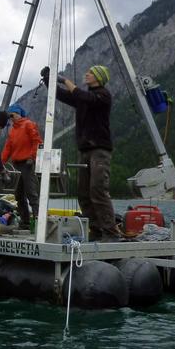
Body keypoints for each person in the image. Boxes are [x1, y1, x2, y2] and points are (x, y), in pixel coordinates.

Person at [41, 64, 124, 242]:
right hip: (85, 149)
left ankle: (111, 232)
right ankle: (95, 230)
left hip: (99, 150)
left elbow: (83, 96)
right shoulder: (84, 97)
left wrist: (66, 80)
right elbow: (62, 95)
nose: (87, 74)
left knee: (98, 189)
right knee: (83, 193)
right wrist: (49, 80)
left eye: (91, 73)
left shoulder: (103, 95)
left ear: (99, 78)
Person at [1, 103, 42, 229]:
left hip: (28, 164)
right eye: (9, 116)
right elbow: (8, 148)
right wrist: (0, 163)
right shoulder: (12, 130)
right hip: (16, 165)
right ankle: (25, 222)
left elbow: (37, 141)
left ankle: (38, 222)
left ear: (18, 114)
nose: (11, 118)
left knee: (32, 194)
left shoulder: (29, 124)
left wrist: (32, 157)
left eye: (12, 115)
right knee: (18, 194)